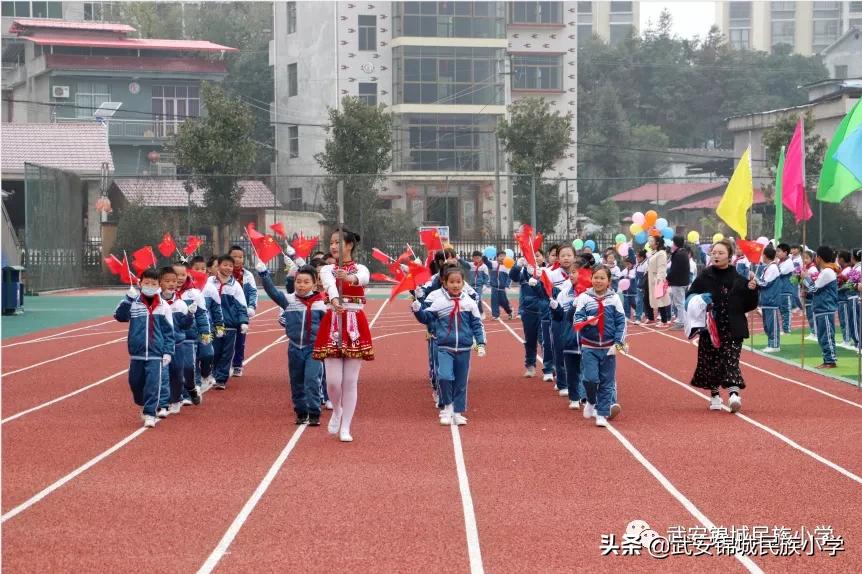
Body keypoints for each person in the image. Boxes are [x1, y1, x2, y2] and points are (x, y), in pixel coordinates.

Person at [313, 227, 373, 442]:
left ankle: (346, 426)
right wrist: (336, 300)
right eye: (331, 242)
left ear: (349, 245)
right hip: (334, 322)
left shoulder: (361, 268)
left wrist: (348, 277)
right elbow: (329, 286)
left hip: (355, 322)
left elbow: (363, 279)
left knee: (350, 381)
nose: (334, 246)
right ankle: (337, 410)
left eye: (338, 242)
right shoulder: (327, 269)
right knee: (333, 382)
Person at [687, 239, 759, 413]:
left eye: (721, 253)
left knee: (730, 359)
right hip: (711, 327)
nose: (716, 256)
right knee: (710, 361)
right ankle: (715, 395)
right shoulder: (704, 276)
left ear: (729, 256)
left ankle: (734, 394)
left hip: (733, 327)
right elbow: (690, 297)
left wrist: (752, 290)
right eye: (714, 253)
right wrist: (700, 300)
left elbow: (749, 305)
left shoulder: (740, 279)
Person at [412, 266, 486, 425]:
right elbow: (426, 317)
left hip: (464, 349)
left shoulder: (469, 302)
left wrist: (480, 342)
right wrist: (417, 309)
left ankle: (457, 412)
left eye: (458, 282)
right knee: (444, 376)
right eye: (451, 282)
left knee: (460, 382)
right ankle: (447, 407)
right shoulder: (439, 302)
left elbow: (477, 324)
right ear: (444, 283)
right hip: (445, 347)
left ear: (463, 283)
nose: (455, 285)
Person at [257, 262, 327, 425]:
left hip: (313, 348)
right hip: (295, 347)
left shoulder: (321, 303)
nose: (302, 285)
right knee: (296, 381)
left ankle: (314, 411)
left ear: (314, 283)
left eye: (306, 282)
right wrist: (264, 275)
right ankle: (301, 411)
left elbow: (329, 324)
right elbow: (273, 292)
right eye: (299, 281)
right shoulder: (289, 301)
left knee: (311, 379)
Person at [113, 268, 175, 428]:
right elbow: (119, 316)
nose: (150, 286)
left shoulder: (163, 306)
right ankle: (141, 402)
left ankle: (150, 413)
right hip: (137, 354)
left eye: (153, 283)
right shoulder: (133, 303)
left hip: (156, 353)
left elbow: (169, 332)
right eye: (146, 283)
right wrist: (128, 299)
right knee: (135, 383)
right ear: (140, 284)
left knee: (153, 385)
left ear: (158, 286)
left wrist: (168, 351)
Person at [573, 266, 626, 427]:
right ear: (591, 279)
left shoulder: (614, 299)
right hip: (590, 346)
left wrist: (618, 343)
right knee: (590, 378)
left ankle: (602, 414)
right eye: (596, 277)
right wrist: (588, 320)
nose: (598, 281)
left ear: (609, 281)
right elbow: (576, 321)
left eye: (602, 278)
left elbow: (621, 322)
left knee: (606, 382)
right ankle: (590, 400)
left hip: (609, 348)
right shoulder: (584, 298)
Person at [207, 255, 249, 390]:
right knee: (214, 352)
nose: (228, 268)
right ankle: (213, 374)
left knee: (227, 353)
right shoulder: (209, 282)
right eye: (225, 264)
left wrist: (243, 321)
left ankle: (221, 379)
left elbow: (241, 305)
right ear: (218, 265)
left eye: (230, 266)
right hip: (214, 324)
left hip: (230, 326)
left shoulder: (235, 285)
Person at [157, 266, 195, 416]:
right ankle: (163, 403)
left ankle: (177, 399)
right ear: (160, 282)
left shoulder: (180, 304)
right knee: (163, 375)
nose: (172, 284)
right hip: (161, 345)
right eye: (167, 281)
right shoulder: (156, 303)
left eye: (174, 281)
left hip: (178, 346)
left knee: (177, 374)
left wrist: (190, 315)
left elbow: (185, 326)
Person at [550, 261, 587, 410]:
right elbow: (559, 318)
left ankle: (586, 397)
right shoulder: (564, 294)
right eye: (570, 272)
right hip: (569, 338)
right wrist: (555, 307)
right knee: (571, 370)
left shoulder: (590, 293)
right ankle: (574, 397)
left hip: (586, 339)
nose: (571, 275)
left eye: (575, 272)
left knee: (587, 370)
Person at [173, 261, 209, 405]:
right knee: (176, 369)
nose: (180, 278)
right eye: (177, 275)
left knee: (188, 366)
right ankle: (180, 395)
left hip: (189, 337)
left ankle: (190, 391)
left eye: (183, 274)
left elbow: (201, 315)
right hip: (173, 338)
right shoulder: (165, 294)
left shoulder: (194, 293)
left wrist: (205, 332)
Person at [510, 250, 546, 378]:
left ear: (543, 257)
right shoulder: (523, 273)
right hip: (529, 312)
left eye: (537, 256)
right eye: (532, 256)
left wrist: (541, 275)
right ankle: (530, 365)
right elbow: (513, 277)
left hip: (544, 313)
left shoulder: (547, 271)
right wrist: (517, 266)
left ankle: (548, 367)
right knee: (530, 340)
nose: (535, 258)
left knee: (545, 341)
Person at [802, 246, 839, 369]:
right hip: (820, 307)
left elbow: (814, 289)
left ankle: (830, 360)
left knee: (826, 335)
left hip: (825, 308)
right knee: (822, 335)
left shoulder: (827, 272)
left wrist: (805, 278)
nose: (815, 259)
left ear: (820, 258)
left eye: (816, 256)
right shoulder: (825, 271)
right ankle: (827, 359)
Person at [547, 245, 577, 396]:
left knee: (575, 350)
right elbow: (544, 288)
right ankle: (562, 382)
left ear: (574, 257)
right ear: (558, 258)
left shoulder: (579, 274)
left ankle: (575, 382)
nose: (566, 258)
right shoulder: (552, 274)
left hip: (575, 319)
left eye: (569, 255)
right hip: (558, 316)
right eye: (563, 255)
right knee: (559, 350)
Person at [228, 246, 258, 377]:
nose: (238, 259)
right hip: (226, 312)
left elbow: (252, 292)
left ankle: (237, 365)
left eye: (240, 257)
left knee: (240, 340)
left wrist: (251, 307)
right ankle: (223, 364)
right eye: (234, 256)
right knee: (224, 340)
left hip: (242, 313)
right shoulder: (223, 274)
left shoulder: (247, 275)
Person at [755, 245, 781, 353]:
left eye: (762, 255)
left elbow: (765, 283)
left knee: (772, 324)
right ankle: (771, 343)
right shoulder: (768, 267)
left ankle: (775, 345)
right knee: (767, 325)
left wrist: (755, 279)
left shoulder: (773, 268)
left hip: (772, 300)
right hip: (766, 299)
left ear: (765, 256)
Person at [646, 235, 672, 326]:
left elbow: (661, 268)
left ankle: (664, 320)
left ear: (657, 243)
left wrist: (659, 279)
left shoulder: (661, 253)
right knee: (657, 299)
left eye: (652, 241)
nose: (649, 243)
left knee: (661, 299)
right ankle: (662, 319)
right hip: (652, 278)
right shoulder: (654, 253)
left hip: (657, 279)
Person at [667, 236, 690, 330]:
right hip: (683, 281)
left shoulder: (678, 254)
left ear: (675, 243)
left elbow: (674, 269)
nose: (672, 245)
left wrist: (668, 278)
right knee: (680, 302)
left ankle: (681, 322)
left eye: (673, 243)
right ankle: (682, 320)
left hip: (678, 282)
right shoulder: (683, 252)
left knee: (679, 302)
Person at [488, 251, 513, 320]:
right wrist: (485, 257)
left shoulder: (507, 266)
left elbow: (509, 277)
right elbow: (487, 263)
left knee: (504, 302)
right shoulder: (494, 264)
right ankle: (495, 315)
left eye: (504, 256)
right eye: (500, 256)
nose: (502, 257)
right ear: (497, 257)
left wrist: (507, 286)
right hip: (494, 287)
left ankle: (509, 311)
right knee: (494, 301)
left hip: (502, 288)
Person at [775, 243, 794, 334]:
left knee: (786, 311)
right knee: (782, 311)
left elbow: (779, 272)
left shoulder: (788, 262)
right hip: (780, 290)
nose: (777, 253)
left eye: (779, 251)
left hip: (786, 290)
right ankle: (785, 328)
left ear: (785, 252)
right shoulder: (780, 262)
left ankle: (787, 330)